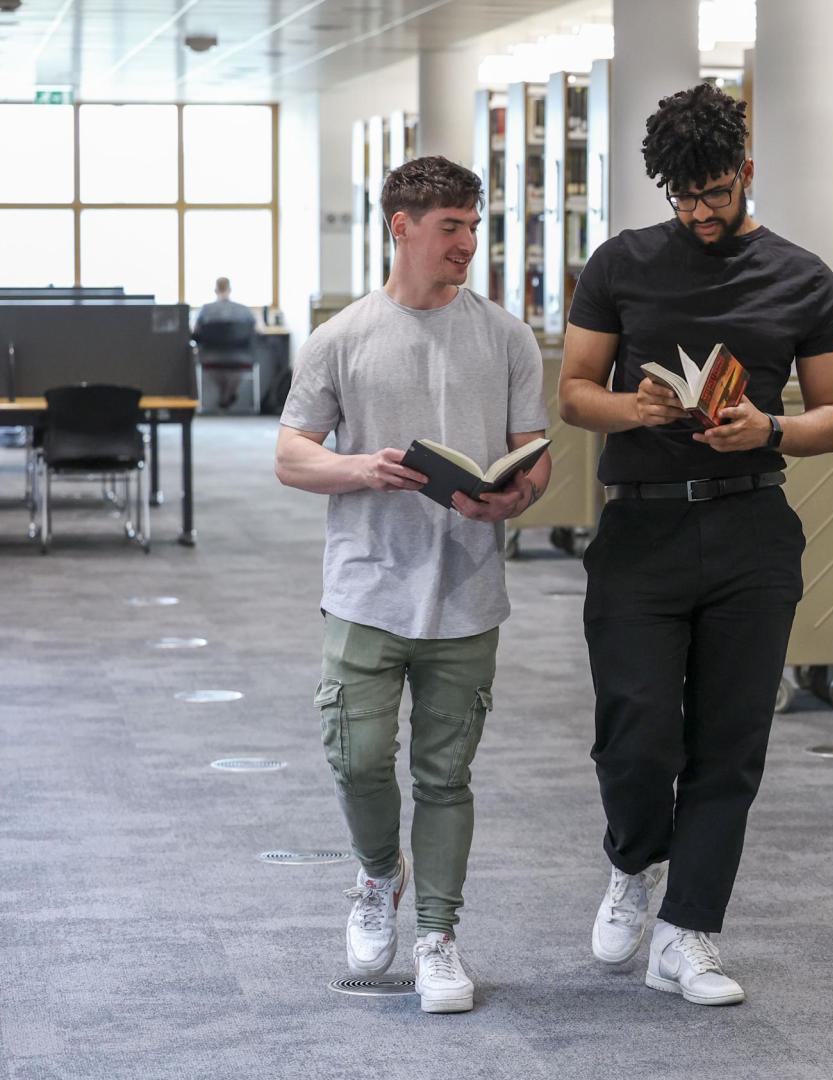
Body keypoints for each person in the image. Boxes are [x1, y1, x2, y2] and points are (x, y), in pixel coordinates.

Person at [559, 83, 833, 1007]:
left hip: (750, 524)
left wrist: (768, 430)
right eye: (684, 198)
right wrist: (631, 407)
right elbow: (573, 390)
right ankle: (634, 862)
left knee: (732, 740)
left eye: (716, 193)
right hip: (641, 521)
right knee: (636, 731)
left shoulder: (803, 277)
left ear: (746, 175)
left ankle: (691, 934)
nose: (701, 213)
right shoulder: (621, 263)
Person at [273, 155, 552, 1015]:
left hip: (467, 589)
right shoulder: (342, 337)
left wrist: (516, 493)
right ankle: (374, 874)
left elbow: (534, 455)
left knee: (445, 773)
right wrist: (359, 467)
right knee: (356, 758)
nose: (469, 242)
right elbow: (291, 455)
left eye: (475, 225)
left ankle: (437, 935)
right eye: (452, 227)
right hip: (365, 586)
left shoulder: (506, 336)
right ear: (402, 226)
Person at [192, 277, 257, 411]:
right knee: (232, 367)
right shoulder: (244, 311)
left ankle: (224, 395)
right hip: (240, 357)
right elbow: (257, 330)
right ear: (230, 290)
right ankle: (227, 395)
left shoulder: (205, 310)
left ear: (215, 290)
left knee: (219, 366)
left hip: (209, 357)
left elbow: (195, 333)